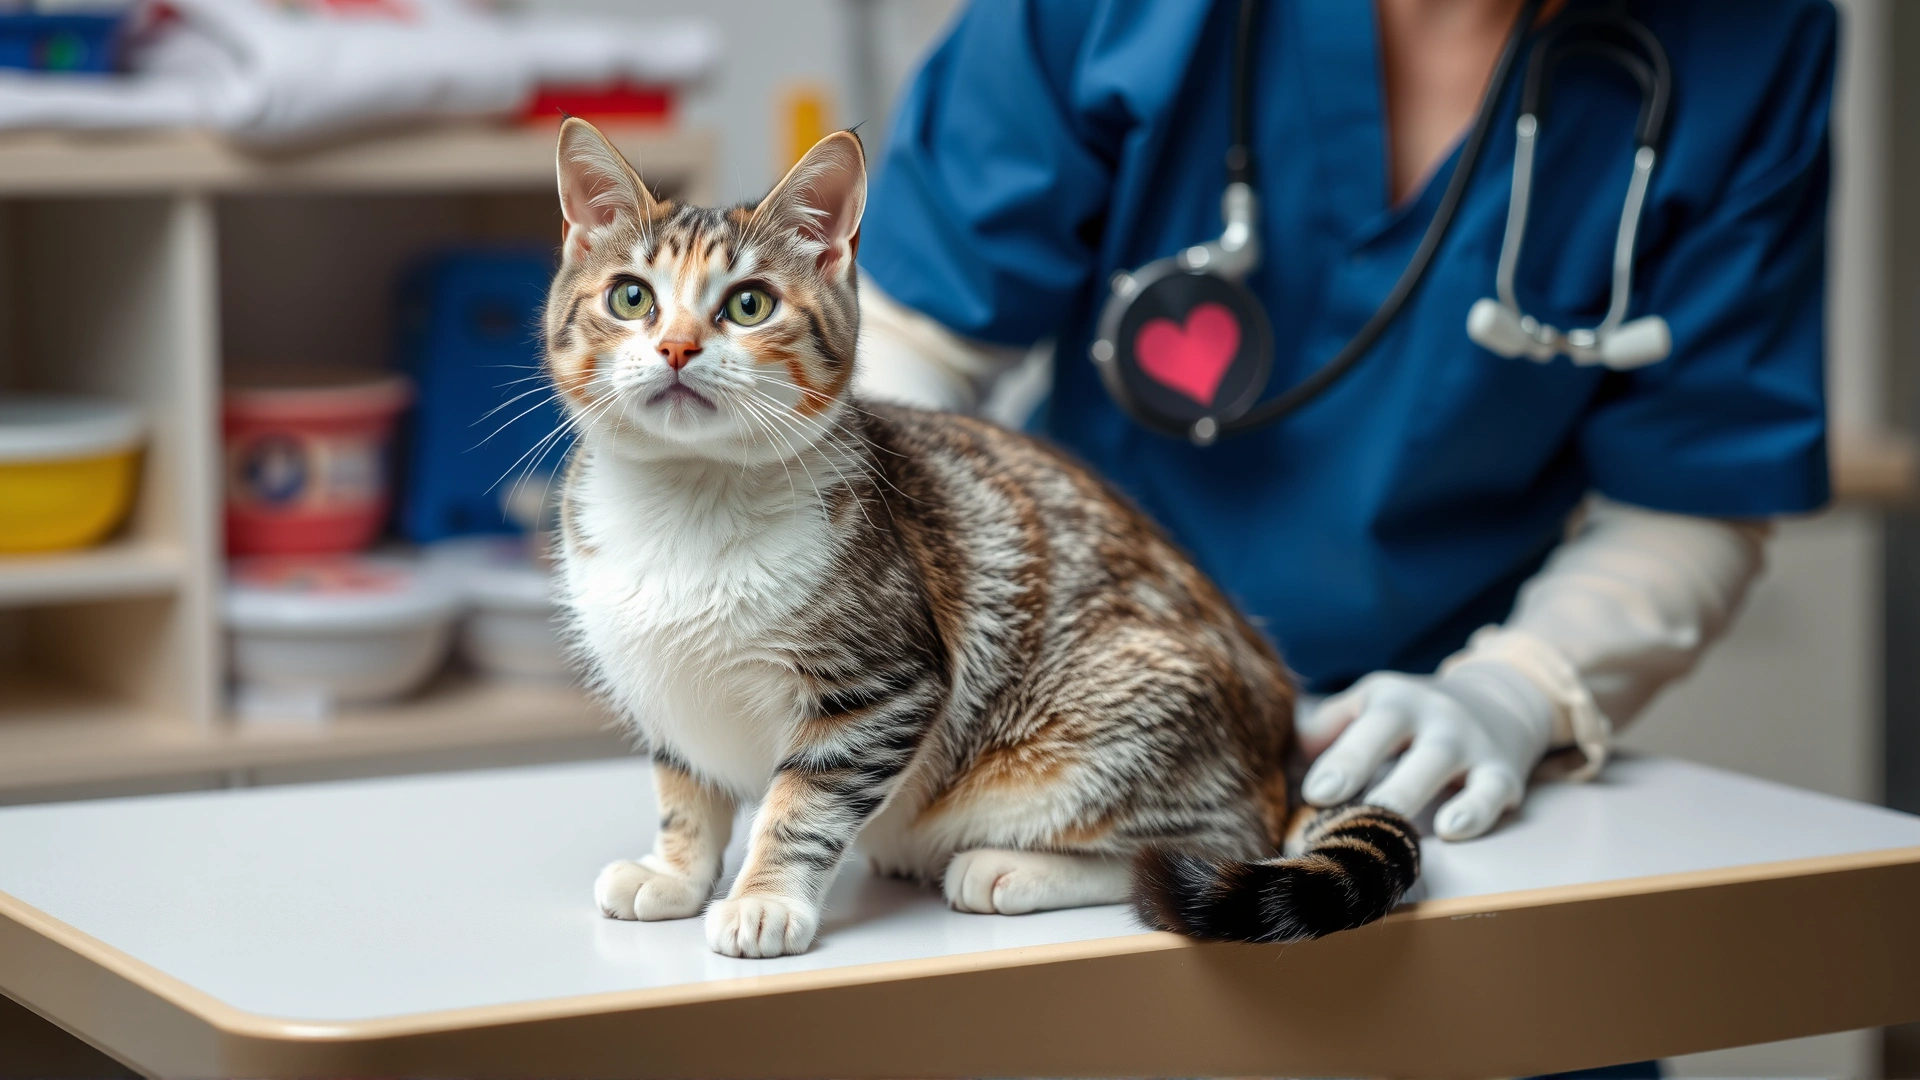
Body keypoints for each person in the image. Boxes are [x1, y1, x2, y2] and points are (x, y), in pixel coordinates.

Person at [854, 0, 1832, 846]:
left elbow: (1693, 489)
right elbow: (912, 342)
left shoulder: (1748, 40)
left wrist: (1516, 694)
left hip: (1422, 775)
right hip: (1058, 724)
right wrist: (936, 655)